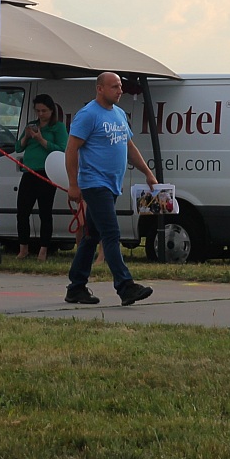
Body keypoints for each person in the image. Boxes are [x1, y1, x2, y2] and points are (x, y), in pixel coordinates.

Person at [64, 72, 157, 307]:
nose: (120, 90)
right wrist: (74, 184)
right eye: (114, 86)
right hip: (95, 184)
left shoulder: (118, 114)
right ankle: (125, 286)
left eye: (120, 86)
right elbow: (71, 150)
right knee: (111, 234)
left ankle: (76, 287)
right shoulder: (88, 115)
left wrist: (147, 172)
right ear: (100, 89)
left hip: (112, 184)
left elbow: (128, 145)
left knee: (91, 235)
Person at [14, 94, 68, 260]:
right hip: (29, 173)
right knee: (22, 211)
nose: (41, 114)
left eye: (44, 111)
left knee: (45, 212)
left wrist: (41, 139)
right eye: (37, 110)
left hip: (47, 174)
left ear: (52, 110)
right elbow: (17, 148)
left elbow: (61, 149)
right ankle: (23, 249)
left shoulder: (58, 128)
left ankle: (43, 250)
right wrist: (26, 137)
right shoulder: (32, 125)